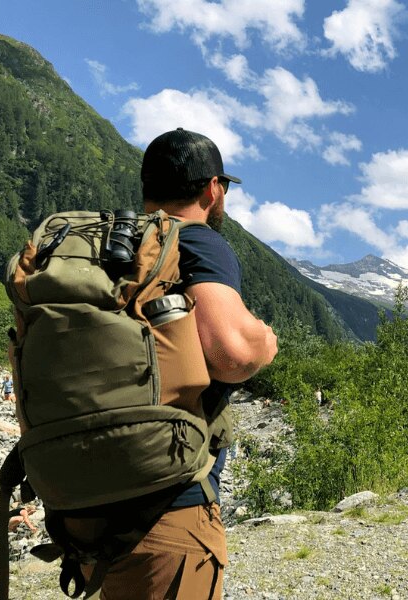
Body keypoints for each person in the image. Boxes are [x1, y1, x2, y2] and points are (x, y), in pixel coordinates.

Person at [93, 128, 278, 599]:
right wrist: (266, 340)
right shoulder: (195, 241)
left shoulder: (113, 245)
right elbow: (233, 355)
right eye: (225, 190)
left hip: (91, 493)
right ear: (212, 188)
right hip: (168, 501)